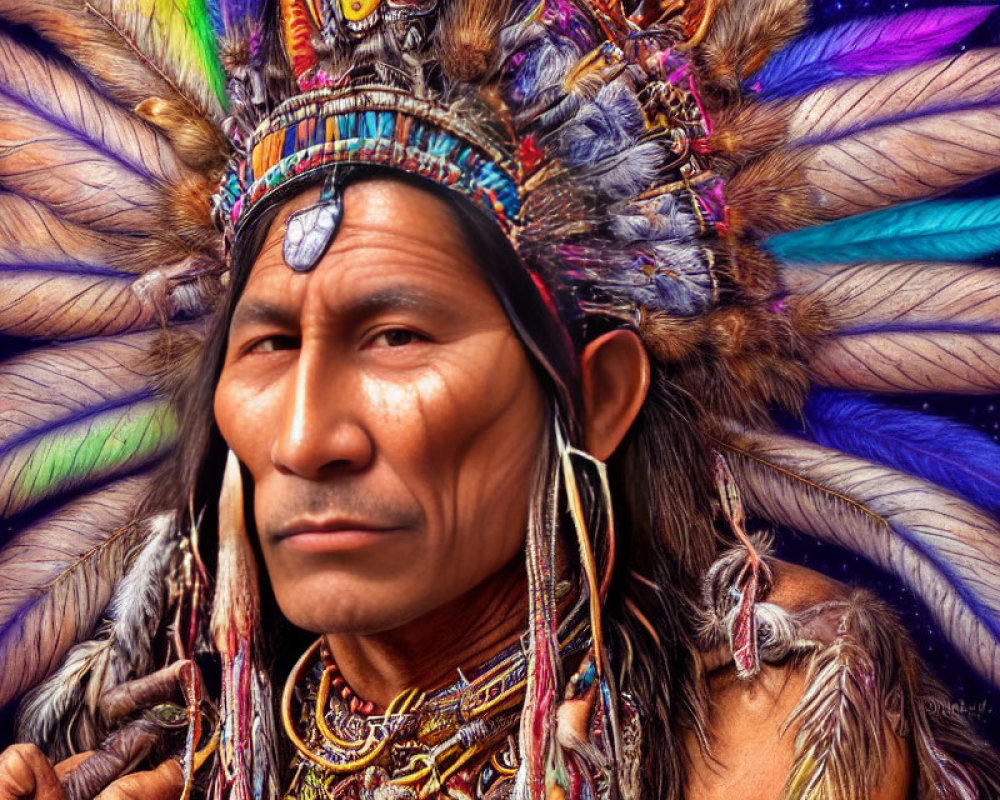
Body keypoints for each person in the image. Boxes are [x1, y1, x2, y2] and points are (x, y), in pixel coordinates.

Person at [1, 0, 1000, 798]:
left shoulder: (770, 685)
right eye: (266, 343)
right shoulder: (211, 747)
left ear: (598, 396)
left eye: (395, 337)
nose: (305, 437)